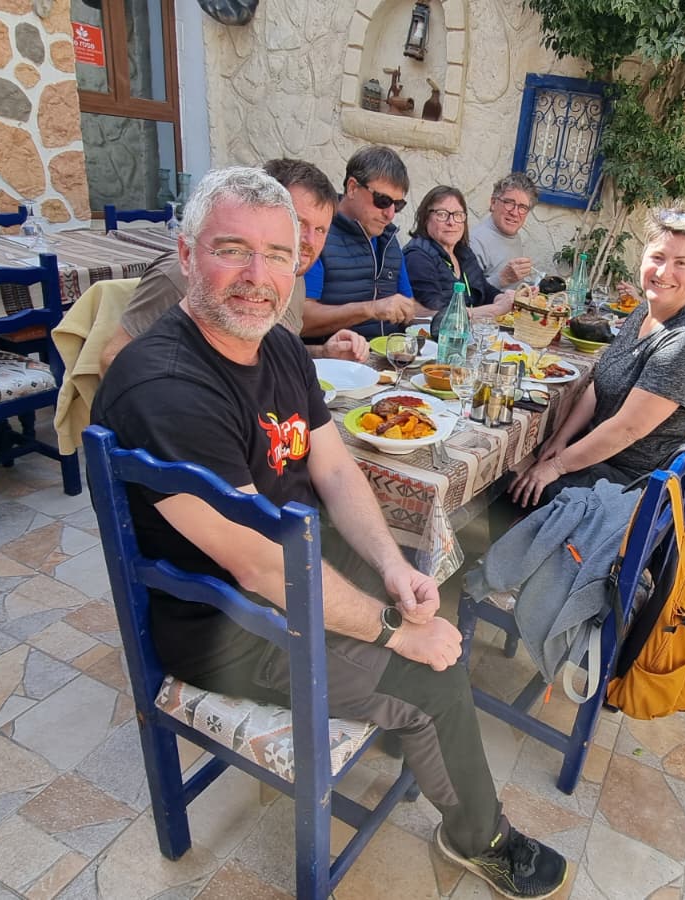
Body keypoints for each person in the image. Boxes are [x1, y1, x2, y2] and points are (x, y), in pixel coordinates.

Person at [92, 166, 568, 899]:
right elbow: (257, 566)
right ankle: (480, 836)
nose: (259, 276)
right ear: (187, 255)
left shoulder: (278, 346)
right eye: (232, 250)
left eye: (278, 255)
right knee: (431, 674)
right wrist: (391, 631)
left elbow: (337, 470)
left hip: (293, 570)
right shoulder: (167, 388)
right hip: (223, 624)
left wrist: (391, 567)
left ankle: (411, 723)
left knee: (426, 589)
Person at [509, 206, 685, 508]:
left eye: (681, 263)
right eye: (658, 257)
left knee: (511, 489)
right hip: (604, 454)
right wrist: (561, 439)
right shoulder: (644, 311)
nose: (663, 272)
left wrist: (557, 466)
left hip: (632, 482)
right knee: (525, 454)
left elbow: (627, 429)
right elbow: (601, 383)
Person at [100, 158, 368, 372]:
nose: (308, 241)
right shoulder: (183, 274)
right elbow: (114, 362)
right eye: (299, 222)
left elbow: (259, 354)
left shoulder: (291, 276)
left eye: (320, 230)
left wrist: (323, 352)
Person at [302, 146, 429, 341]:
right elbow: (301, 319)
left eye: (398, 205)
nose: (390, 214)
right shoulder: (319, 233)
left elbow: (408, 306)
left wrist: (453, 316)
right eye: (382, 200)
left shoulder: (389, 240)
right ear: (352, 188)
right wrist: (370, 309)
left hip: (388, 355)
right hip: (333, 356)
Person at [403, 185, 514, 329]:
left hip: (469, 334)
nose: (451, 222)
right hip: (433, 338)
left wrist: (506, 299)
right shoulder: (417, 256)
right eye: (442, 214)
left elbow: (485, 289)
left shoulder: (462, 252)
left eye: (458, 215)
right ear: (425, 218)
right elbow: (437, 313)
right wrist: (496, 310)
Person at [468, 172, 539, 290]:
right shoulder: (475, 242)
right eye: (509, 203)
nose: (515, 213)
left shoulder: (513, 236)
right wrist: (502, 278)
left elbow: (510, 288)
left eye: (522, 207)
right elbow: (466, 294)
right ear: (493, 203)